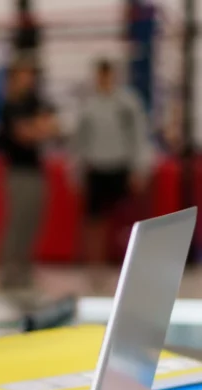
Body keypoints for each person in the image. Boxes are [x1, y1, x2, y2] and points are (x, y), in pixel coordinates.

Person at [72, 58, 150, 286]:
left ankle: (129, 267)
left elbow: (138, 137)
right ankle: (95, 269)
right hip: (96, 167)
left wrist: (139, 169)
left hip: (121, 167)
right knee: (94, 221)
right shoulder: (88, 104)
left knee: (125, 221)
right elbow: (79, 141)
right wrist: (77, 171)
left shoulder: (127, 103)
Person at [0, 57, 57, 293]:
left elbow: (52, 126)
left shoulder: (34, 102)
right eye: (24, 75)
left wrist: (38, 128)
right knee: (16, 221)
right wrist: (38, 128)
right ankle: (8, 270)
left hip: (35, 169)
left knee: (32, 220)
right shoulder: (11, 105)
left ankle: (24, 268)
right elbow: (25, 134)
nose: (28, 80)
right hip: (17, 172)